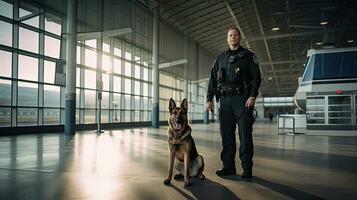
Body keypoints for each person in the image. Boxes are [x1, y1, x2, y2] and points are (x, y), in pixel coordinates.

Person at [207, 26, 261, 178]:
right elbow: (212, 79)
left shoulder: (249, 56)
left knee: (245, 136)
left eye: (236, 35)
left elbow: (256, 77)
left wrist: (252, 96)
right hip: (224, 101)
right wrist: (209, 98)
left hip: (243, 100)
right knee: (226, 136)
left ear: (239, 37)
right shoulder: (220, 59)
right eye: (230, 35)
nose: (233, 37)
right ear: (227, 38)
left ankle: (247, 168)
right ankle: (228, 167)